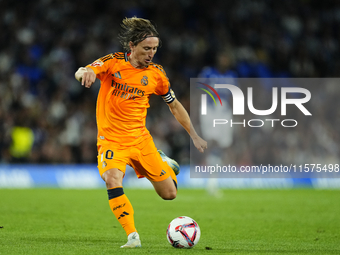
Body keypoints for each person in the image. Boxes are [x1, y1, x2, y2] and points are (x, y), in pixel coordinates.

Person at [75, 17, 207, 248]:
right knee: (112, 178)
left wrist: (193, 134)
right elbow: (84, 70)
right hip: (112, 142)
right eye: (147, 48)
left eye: (155, 49)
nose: (151, 53)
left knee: (169, 195)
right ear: (132, 46)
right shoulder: (113, 63)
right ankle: (132, 236)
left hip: (141, 141)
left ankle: (164, 162)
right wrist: (85, 73)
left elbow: (174, 105)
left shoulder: (157, 75)